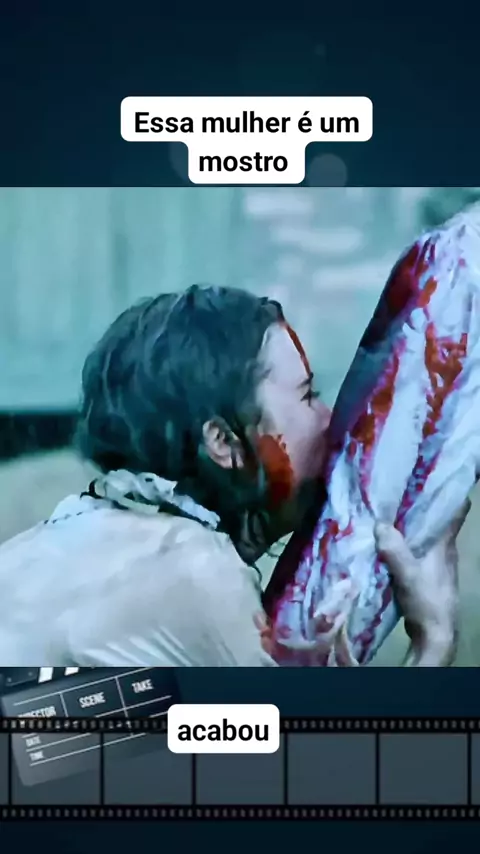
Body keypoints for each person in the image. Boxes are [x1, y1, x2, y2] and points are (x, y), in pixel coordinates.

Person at [0, 286, 466, 666]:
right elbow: (309, 756)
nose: (330, 419)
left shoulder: (48, 545)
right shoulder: (193, 569)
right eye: (308, 396)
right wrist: (433, 643)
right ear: (222, 442)